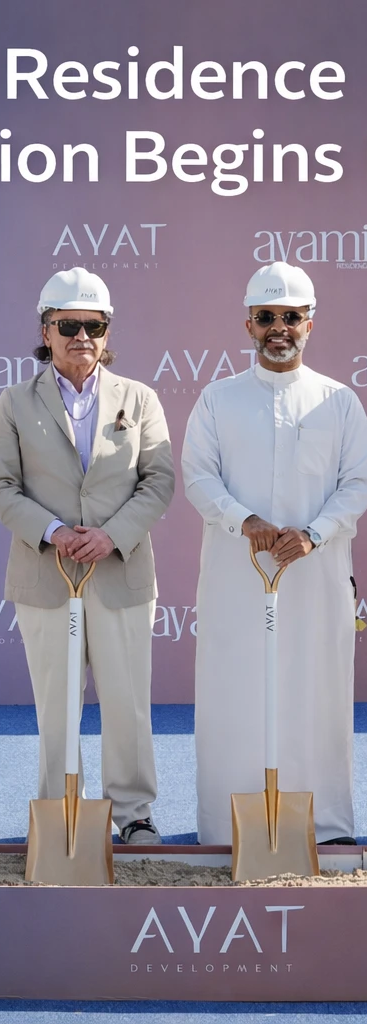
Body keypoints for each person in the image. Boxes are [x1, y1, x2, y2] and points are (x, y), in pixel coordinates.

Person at [181, 261, 367, 845]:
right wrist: (243, 521)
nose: (279, 328)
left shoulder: (339, 400)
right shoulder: (216, 399)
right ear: (248, 323)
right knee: (233, 690)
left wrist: (314, 533)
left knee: (318, 690)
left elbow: (359, 482)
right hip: (235, 576)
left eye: (291, 316)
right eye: (266, 316)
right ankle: (227, 826)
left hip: (316, 576)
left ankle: (326, 825)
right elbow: (198, 476)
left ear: (309, 323)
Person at [0, 268, 175, 845]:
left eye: (93, 326)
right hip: (46, 575)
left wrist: (110, 536)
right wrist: (53, 532)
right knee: (55, 705)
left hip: (120, 572)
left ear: (107, 331)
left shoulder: (140, 398)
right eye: (69, 325)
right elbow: (2, 485)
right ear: (46, 330)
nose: (82, 336)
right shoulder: (12, 402)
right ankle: (59, 812)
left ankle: (134, 814)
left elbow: (158, 481)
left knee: (128, 703)